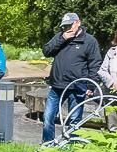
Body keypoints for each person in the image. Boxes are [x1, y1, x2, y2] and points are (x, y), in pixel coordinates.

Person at [41, 12, 102, 142]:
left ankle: (71, 146)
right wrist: (62, 38)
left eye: (70, 25)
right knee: (48, 117)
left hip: (77, 86)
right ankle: (47, 145)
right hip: (57, 86)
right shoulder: (60, 37)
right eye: (64, 26)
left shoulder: (89, 41)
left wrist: (91, 85)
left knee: (74, 120)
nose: (67, 29)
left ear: (77, 23)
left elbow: (95, 64)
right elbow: (46, 51)